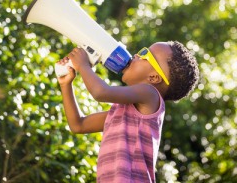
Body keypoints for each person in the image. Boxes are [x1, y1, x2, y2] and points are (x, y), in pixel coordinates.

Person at [57, 41, 199, 182]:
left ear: (154, 77)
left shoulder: (150, 94)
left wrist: (83, 65)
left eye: (145, 54)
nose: (137, 55)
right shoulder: (122, 113)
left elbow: (100, 92)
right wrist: (65, 84)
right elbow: (79, 125)